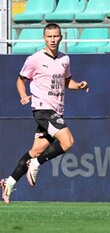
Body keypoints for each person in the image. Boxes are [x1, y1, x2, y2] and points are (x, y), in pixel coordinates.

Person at [0, 23, 89, 204]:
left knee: (35, 151)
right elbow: (20, 80)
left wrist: (79, 86)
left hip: (56, 110)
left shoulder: (65, 59)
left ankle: (8, 182)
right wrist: (23, 95)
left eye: (56, 36)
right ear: (44, 38)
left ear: (61, 37)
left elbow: (67, 82)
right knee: (68, 141)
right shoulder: (35, 59)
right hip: (42, 109)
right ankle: (37, 164)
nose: (53, 40)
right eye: (49, 37)